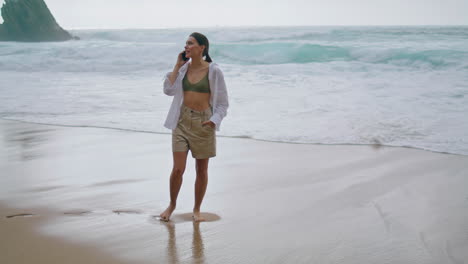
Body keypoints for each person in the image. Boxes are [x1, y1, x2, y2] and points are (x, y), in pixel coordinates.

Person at [159, 32, 229, 222]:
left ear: (202, 48)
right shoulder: (182, 70)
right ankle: (171, 205)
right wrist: (176, 66)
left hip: (204, 123)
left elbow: (223, 104)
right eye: (186, 43)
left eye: (190, 43)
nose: (186, 47)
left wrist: (214, 120)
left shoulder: (214, 71)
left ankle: (197, 209)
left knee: (201, 170)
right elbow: (168, 90)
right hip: (181, 122)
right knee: (178, 170)